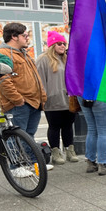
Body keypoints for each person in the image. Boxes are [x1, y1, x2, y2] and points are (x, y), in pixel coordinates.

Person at [0, 23, 54, 172]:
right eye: (24, 35)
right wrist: (18, 99)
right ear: (14, 36)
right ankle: (15, 167)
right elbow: (3, 80)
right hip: (19, 104)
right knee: (15, 136)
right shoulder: (3, 53)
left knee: (29, 136)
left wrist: (42, 96)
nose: (27, 38)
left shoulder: (23, 52)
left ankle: (34, 164)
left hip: (33, 102)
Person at [36, 31, 79, 166]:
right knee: (54, 127)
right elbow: (39, 80)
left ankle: (69, 150)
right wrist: (43, 97)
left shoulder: (67, 58)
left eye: (64, 43)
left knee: (68, 126)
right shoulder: (43, 59)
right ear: (52, 45)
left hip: (68, 99)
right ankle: (55, 153)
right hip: (52, 100)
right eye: (59, 43)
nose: (63, 46)